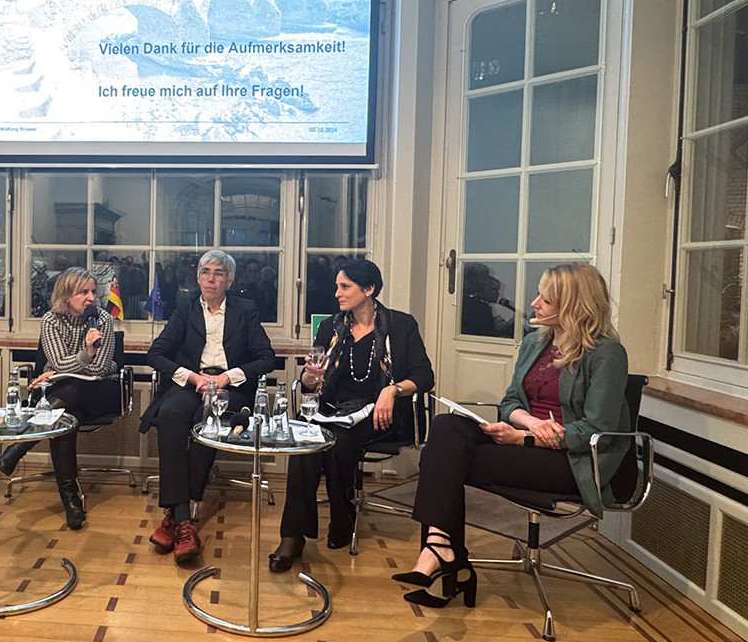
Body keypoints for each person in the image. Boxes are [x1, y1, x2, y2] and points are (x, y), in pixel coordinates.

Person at [394, 263, 630, 608]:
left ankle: (444, 556)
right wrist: (530, 425)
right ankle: (443, 552)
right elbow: (510, 402)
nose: (533, 303)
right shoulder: (536, 342)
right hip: (530, 442)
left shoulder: (607, 353)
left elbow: (596, 430)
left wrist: (522, 438)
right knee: (446, 427)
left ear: (573, 304)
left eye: (545, 299)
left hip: (574, 460)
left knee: (442, 460)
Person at [270, 258, 434, 572]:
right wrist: (309, 378)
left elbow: (424, 376)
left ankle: (342, 519)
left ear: (368, 289)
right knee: (306, 441)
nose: (337, 293)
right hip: (335, 409)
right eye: (337, 286)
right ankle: (292, 536)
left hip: (381, 413)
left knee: (338, 440)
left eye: (344, 286)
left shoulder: (400, 325)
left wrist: (392, 390)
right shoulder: (331, 327)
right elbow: (312, 385)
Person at [139, 250, 276, 564]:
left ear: (229, 279)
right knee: (171, 416)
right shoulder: (184, 308)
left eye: (218, 273)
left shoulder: (246, 309)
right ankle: (184, 519)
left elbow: (266, 358)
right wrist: (193, 378)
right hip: (192, 383)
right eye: (205, 272)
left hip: (230, 389)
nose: (210, 278)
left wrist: (227, 378)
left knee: (208, 423)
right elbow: (156, 354)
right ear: (198, 277)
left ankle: (174, 519)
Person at [0, 267, 118, 530]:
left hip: (100, 392)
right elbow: (63, 361)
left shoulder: (103, 320)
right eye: (83, 292)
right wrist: (85, 354)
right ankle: (70, 501)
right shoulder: (51, 320)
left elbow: (99, 369)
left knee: (69, 392)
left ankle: (19, 446)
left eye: (93, 292)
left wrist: (65, 369)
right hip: (67, 397)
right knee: (65, 417)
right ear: (65, 294)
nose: (91, 298)